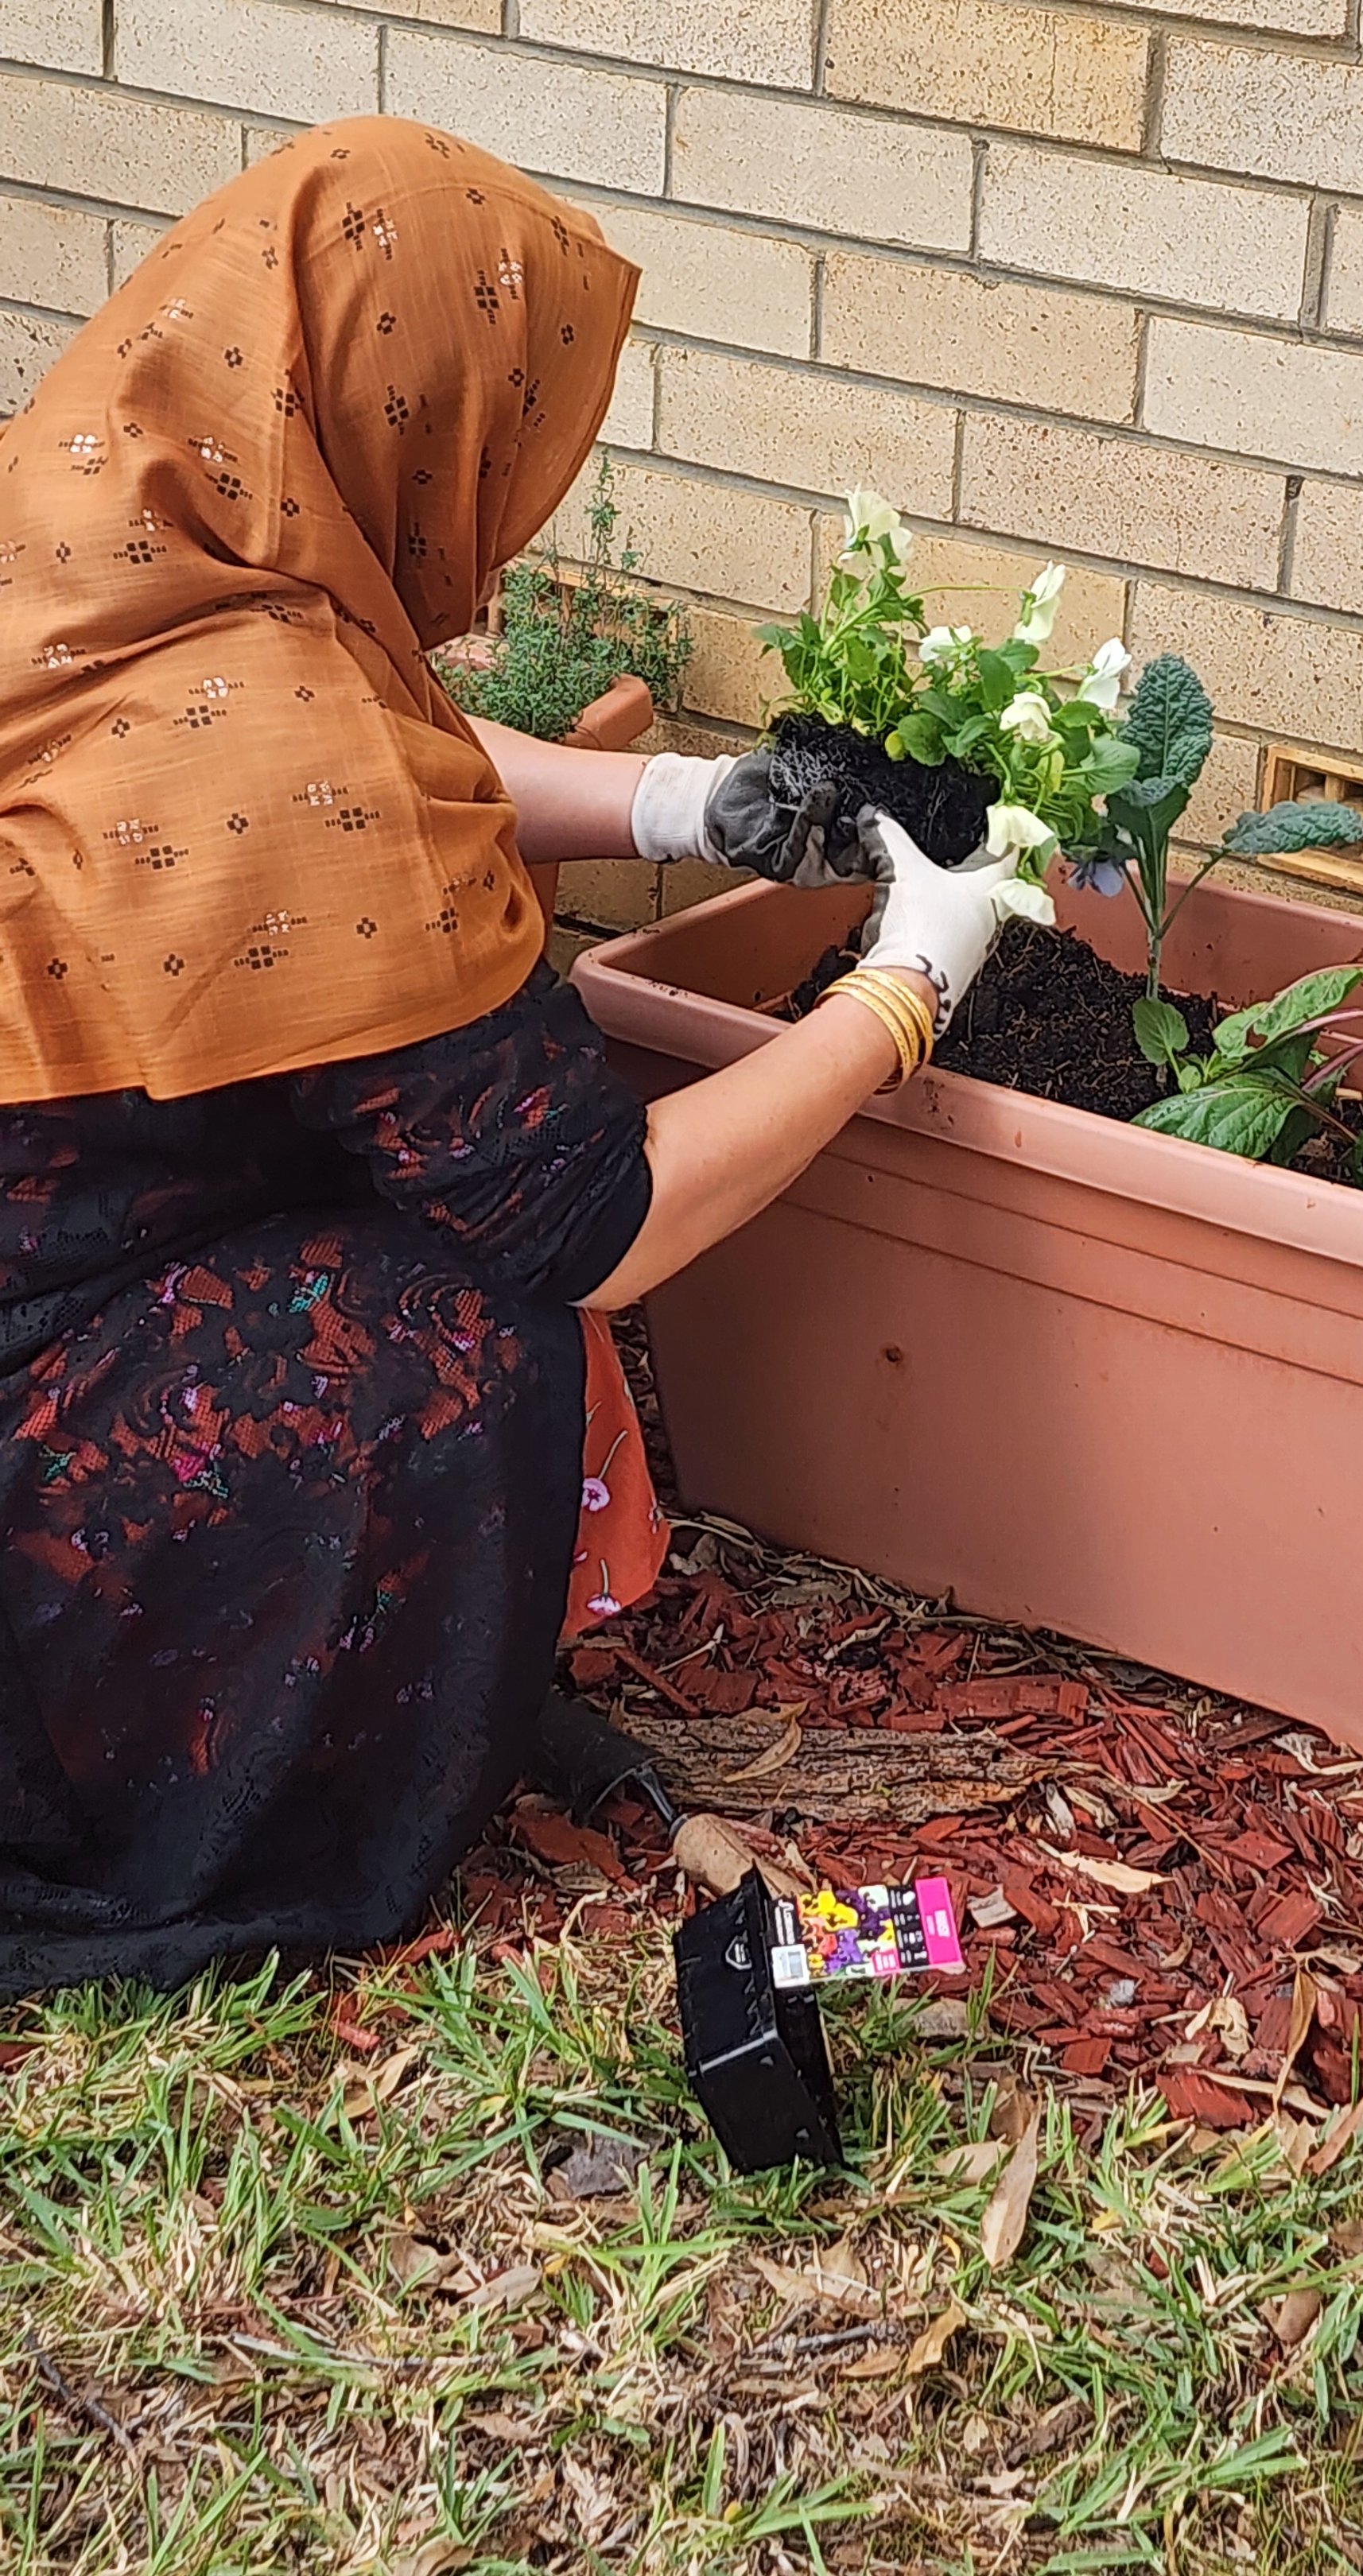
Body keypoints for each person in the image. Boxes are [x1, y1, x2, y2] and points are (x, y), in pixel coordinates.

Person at [0, 117, 1019, 1993]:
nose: (504, 488)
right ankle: (203, 1757)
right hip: (36, 1468)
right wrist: (904, 992)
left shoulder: (97, 513)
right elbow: (597, 1222)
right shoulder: (304, 751)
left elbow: (354, 755)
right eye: (501, 439)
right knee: (459, 1320)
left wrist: (694, 803)